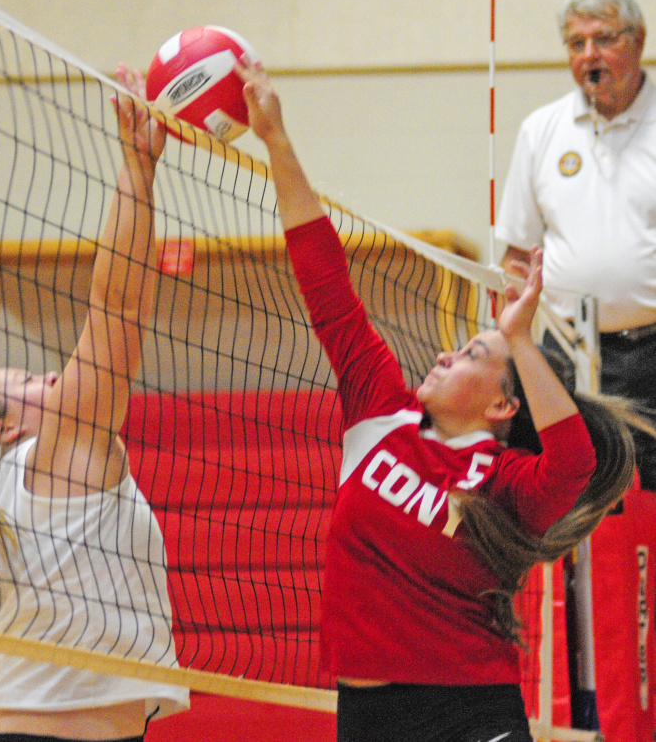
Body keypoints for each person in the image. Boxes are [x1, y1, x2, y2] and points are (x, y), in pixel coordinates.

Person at [234, 55, 650, 742]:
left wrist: (517, 337)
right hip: (365, 714)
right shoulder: (380, 413)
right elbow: (325, 281)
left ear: (501, 407)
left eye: (470, 355)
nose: (443, 354)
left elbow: (572, 460)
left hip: (466, 712)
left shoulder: (507, 483)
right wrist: (276, 141)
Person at [0, 66, 189, 742]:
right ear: (6, 429)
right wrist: (137, 170)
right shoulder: (53, 457)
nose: (53, 381)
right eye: (32, 383)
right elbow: (116, 307)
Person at [496, 0, 656, 490]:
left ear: (638, 41)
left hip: (650, 353)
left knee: (647, 492)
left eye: (603, 39)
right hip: (562, 353)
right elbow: (518, 253)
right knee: (566, 491)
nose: (589, 56)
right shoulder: (540, 130)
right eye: (575, 43)